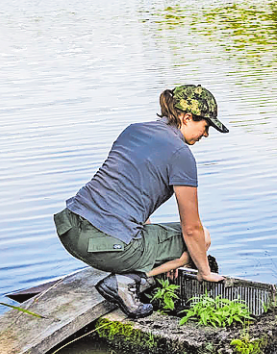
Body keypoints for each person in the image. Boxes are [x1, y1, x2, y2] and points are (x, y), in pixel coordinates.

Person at [53, 85, 228, 318]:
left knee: (173, 242)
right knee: (202, 239)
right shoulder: (180, 154)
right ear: (186, 118)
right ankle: (127, 281)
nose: (205, 134)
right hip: (104, 245)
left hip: (70, 229)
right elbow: (191, 228)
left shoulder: (133, 131)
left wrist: (163, 256)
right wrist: (204, 272)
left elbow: (125, 187)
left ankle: (134, 272)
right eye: (205, 126)